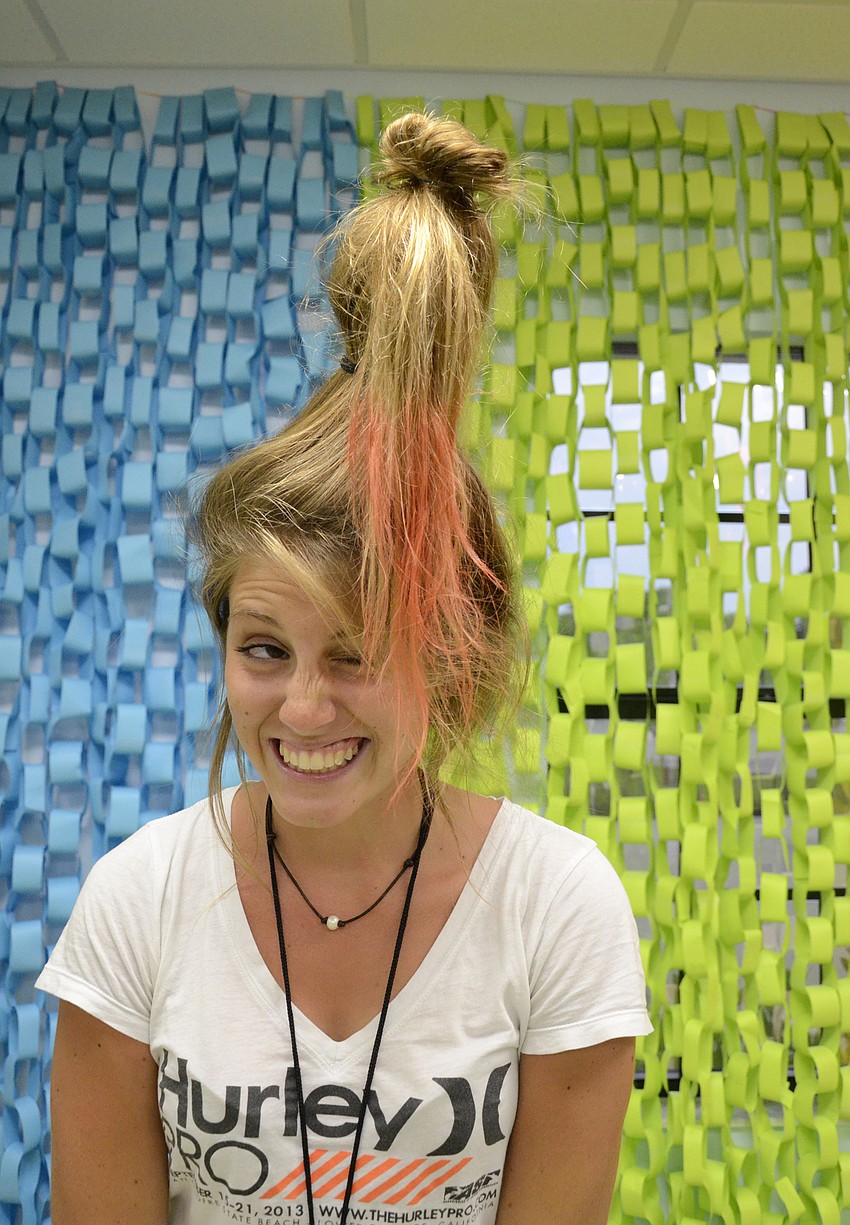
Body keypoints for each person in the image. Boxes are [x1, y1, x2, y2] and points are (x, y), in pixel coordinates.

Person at [36, 112, 651, 1225]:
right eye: (263, 649)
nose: (303, 706)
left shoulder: (558, 908)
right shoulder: (138, 902)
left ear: (452, 651)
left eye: (358, 656)